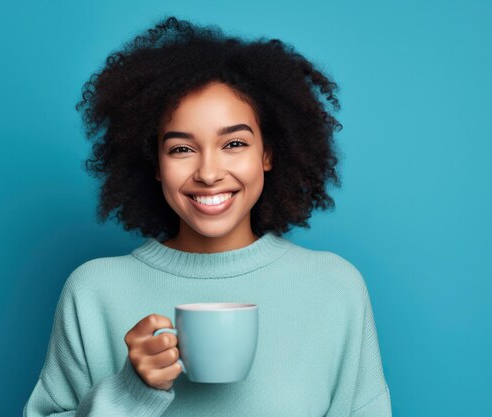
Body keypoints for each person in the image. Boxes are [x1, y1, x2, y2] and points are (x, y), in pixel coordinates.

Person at [23, 15, 391, 416]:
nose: (209, 173)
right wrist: (132, 392)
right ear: (157, 164)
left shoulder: (335, 288)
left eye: (234, 143)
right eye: (182, 149)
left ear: (267, 153)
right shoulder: (93, 292)